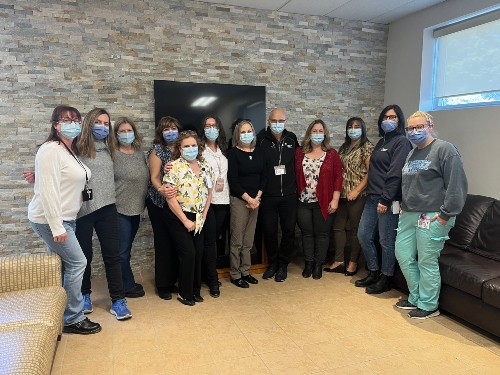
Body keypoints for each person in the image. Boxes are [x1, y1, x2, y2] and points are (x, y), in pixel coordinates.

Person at [28, 105, 101, 334]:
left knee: (61, 266)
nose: (73, 124)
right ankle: (73, 318)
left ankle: (61, 311)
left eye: (76, 120)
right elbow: (48, 192)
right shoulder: (50, 149)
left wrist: (38, 178)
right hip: (51, 220)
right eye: (67, 120)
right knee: (78, 262)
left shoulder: (68, 149)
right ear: (55, 124)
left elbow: (57, 180)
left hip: (67, 218)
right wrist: (57, 226)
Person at [395, 111, 467, 319]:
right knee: (403, 254)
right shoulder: (412, 152)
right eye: (411, 128)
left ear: (430, 126)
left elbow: (457, 184)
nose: (415, 132)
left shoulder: (444, 150)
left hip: (434, 215)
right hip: (409, 213)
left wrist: (446, 214)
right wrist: (404, 205)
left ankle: (428, 305)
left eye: (420, 127)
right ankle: (415, 297)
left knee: (426, 260)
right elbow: (409, 183)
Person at [75, 108, 132, 319]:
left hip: (108, 208)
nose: (103, 126)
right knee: (84, 257)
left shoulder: (110, 148)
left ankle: (118, 301)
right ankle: (84, 296)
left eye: (106, 123)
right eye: (98, 122)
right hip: (83, 210)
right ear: (89, 123)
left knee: (113, 256)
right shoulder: (76, 148)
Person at [356, 104, 412, 294]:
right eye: (385, 117)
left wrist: (386, 199)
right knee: (363, 235)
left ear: (399, 120)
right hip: (372, 197)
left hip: (388, 200)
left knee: (387, 240)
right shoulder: (381, 142)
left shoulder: (402, 142)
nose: (389, 120)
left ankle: (386, 277)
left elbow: (396, 173)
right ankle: (373, 271)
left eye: (393, 117)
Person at [163, 131, 214, 306]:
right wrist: (185, 220)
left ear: (198, 147)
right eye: (186, 146)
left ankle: (195, 290)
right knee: (188, 254)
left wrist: (205, 213)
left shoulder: (205, 166)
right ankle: (184, 293)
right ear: (179, 148)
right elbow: (170, 197)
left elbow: (209, 191)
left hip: (199, 216)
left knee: (198, 254)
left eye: (193, 145)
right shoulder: (174, 167)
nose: (190, 149)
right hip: (178, 216)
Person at [325, 117, 373, 276]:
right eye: (350, 126)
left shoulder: (366, 147)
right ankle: (339, 260)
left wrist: (357, 191)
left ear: (363, 128)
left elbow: (370, 172)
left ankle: (353, 262)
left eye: (357, 126)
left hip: (358, 195)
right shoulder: (344, 147)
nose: (353, 129)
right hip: (342, 194)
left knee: (355, 230)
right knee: (338, 227)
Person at [295, 120, 342, 280]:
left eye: (320, 131)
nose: (317, 134)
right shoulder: (299, 152)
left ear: (325, 133)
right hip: (303, 202)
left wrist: (335, 199)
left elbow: (338, 178)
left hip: (324, 202)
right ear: (309, 133)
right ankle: (308, 263)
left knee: (322, 234)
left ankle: (318, 264)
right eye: (314, 131)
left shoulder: (332, 154)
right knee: (307, 234)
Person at [257, 108, 299, 282]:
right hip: (269, 195)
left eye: (280, 121)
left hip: (289, 194)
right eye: (274, 121)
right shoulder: (260, 139)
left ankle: (283, 264)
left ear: (286, 122)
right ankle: (273, 263)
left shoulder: (292, 138)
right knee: (269, 231)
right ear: (268, 122)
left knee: (289, 231)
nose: (277, 124)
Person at [227, 120, 267, 288]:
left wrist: (257, 198)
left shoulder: (259, 152)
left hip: (256, 201)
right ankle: (235, 274)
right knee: (237, 240)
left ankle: (246, 271)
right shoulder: (233, 153)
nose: (246, 134)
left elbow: (264, 177)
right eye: (242, 132)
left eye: (249, 131)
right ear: (237, 134)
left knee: (248, 240)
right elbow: (233, 181)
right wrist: (248, 199)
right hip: (239, 201)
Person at [145, 116, 181, 300]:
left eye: (173, 128)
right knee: (163, 242)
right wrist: (162, 190)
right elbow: (154, 177)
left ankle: (173, 280)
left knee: (176, 241)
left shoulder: (183, 149)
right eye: (166, 129)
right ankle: (163, 284)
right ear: (161, 132)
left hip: (177, 204)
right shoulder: (157, 150)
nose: (170, 131)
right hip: (159, 202)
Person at [113, 117, 150, 298]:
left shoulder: (139, 153)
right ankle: (125, 286)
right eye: (122, 131)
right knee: (122, 252)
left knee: (126, 250)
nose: (126, 134)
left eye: (129, 131)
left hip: (136, 209)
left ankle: (125, 282)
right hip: (119, 210)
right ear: (116, 134)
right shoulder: (112, 154)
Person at [198, 115, 229, 298]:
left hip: (223, 200)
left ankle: (206, 273)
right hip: (206, 202)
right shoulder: (199, 150)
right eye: (208, 125)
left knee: (215, 240)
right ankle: (212, 279)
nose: (211, 129)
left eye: (214, 125)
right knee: (209, 241)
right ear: (203, 128)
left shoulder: (224, 149)